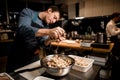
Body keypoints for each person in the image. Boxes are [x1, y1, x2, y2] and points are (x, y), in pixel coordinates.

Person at [6, 6, 66, 73]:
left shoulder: (46, 25)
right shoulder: (28, 13)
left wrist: (51, 38)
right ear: (49, 11)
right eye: (54, 17)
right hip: (18, 56)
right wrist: (49, 31)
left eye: (56, 20)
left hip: (33, 58)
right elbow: (22, 30)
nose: (53, 21)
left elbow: (43, 43)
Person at [106, 12, 120, 80]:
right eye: (118, 17)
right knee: (114, 56)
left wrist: (118, 30)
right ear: (115, 17)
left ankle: (114, 69)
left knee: (116, 55)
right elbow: (113, 33)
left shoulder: (113, 24)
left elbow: (117, 29)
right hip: (112, 40)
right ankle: (113, 70)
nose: (118, 18)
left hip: (114, 40)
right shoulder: (110, 24)